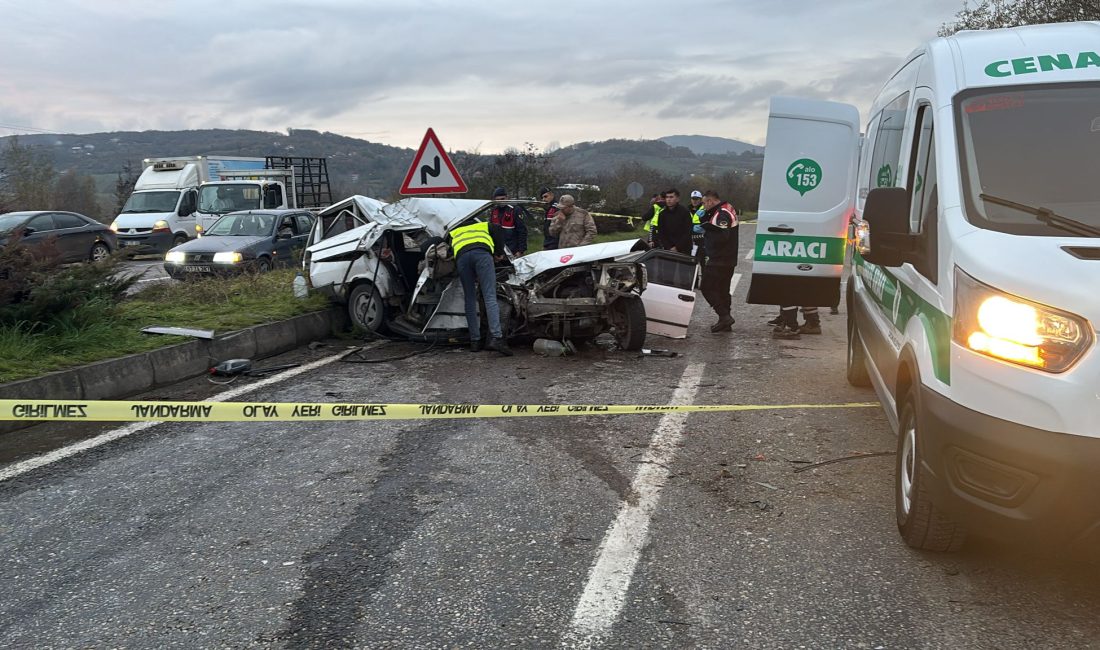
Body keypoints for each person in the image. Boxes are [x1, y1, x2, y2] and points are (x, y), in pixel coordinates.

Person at [446, 219, 513, 356]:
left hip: (462, 259)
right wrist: (498, 253)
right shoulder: (484, 225)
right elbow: (499, 230)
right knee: (489, 296)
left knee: (469, 299)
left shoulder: (454, 232)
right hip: (482, 255)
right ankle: (497, 338)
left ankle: (475, 341)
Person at [699, 190, 739, 332]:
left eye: (704, 203)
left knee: (706, 287)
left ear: (710, 201)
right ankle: (725, 322)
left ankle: (724, 316)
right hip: (728, 259)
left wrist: (707, 231)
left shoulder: (721, 213)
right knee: (723, 290)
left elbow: (723, 236)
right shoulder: (727, 207)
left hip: (719, 259)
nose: (703, 206)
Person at [488, 187, 528, 257]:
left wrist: (521, 250)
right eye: (498, 200)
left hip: (514, 250)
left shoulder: (515, 210)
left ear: (507, 197)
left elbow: (522, 231)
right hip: (499, 251)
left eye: (502, 199)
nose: (501, 202)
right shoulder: (494, 211)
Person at [653, 188, 693, 254]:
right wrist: (669, 247)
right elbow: (661, 232)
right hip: (668, 249)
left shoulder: (685, 212)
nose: (668, 199)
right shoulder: (662, 214)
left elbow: (688, 232)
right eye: (667, 197)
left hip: (684, 249)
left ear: (677, 199)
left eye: (671, 197)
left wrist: (677, 247)